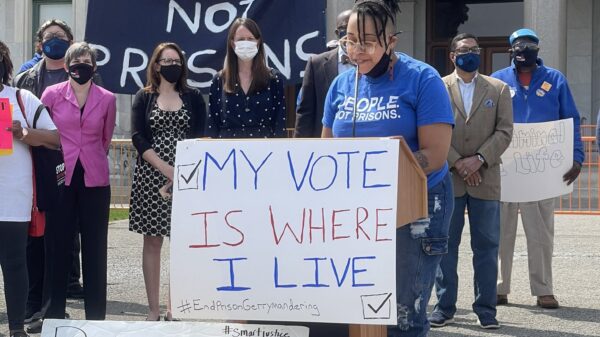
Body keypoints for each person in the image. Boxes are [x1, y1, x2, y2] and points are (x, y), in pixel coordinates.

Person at [322, 1, 454, 336]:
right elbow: (324, 151)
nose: (356, 50)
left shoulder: (423, 79)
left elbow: (436, 154)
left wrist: (389, 163)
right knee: (359, 308)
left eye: (366, 41)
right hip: (357, 211)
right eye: (349, 40)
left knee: (402, 314)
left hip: (416, 209)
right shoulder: (340, 86)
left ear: (391, 41)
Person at [492, 28, 584, 309]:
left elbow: (571, 118)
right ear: (511, 51)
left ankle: (543, 289)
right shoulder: (497, 81)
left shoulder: (555, 80)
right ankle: (497, 288)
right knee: (498, 233)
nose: (525, 51)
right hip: (505, 170)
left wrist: (576, 156)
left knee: (541, 234)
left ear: (538, 50)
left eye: (530, 46)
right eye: (519, 46)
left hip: (543, 171)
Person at [13, 19, 94, 330]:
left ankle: (53, 305)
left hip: (70, 165)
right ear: (39, 44)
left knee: (61, 236)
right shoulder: (25, 80)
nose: (55, 41)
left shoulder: (82, 76)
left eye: (61, 37)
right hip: (32, 164)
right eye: (49, 38)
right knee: (33, 236)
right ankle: (34, 305)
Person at [429, 33, 513, 329]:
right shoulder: (437, 87)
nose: (471, 54)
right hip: (448, 179)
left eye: (475, 50)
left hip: (486, 179)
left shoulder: (499, 88)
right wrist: (457, 162)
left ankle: (486, 310)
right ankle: (445, 306)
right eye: (465, 50)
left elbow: (504, 132)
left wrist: (478, 159)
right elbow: (431, 129)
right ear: (452, 55)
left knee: (487, 247)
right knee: (445, 246)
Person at [129, 42, 207, 321]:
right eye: (166, 60)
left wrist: (181, 172)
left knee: (181, 243)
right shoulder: (143, 96)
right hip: (151, 177)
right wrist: (165, 168)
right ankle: (152, 310)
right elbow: (138, 137)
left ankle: (175, 307)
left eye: (176, 60)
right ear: (156, 64)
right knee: (152, 243)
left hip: (187, 178)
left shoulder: (194, 97)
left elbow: (200, 136)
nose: (171, 64)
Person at [40, 42, 116, 321]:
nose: (81, 64)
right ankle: (54, 313)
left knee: (95, 246)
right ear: (67, 65)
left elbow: (106, 138)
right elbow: (44, 132)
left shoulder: (107, 98)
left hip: (95, 177)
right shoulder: (51, 94)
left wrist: (91, 155)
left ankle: (96, 317)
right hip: (61, 174)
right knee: (58, 243)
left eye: (86, 60)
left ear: (94, 66)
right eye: (76, 60)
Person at [0, 40, 60, 337]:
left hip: (13, 196)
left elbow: (55, 138)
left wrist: (26, 133)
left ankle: (15, 328)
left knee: (13, 262)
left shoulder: (22, 98)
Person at [207, 18, 286, 139]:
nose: (246, 43)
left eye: (250, 39)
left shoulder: (274, 78)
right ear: (232, 43)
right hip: (227, 151)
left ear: (258, 42)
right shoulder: (219, 80)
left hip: (265, 149)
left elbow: (280, 122)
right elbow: (212, 124)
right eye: (241, 39)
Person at [294, 9, 353, 138]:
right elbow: (305, 113)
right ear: (337, 33)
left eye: (355, 27)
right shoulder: (316, 64)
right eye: (345, 27)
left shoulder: (371, 60)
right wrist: (299, 149)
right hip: (324, 145)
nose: (350, 32)